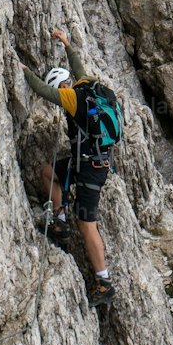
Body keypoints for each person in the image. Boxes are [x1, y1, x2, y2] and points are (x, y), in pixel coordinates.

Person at [20, 29, 116, 306]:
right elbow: (78, 64)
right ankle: (59, 222)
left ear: (63, 85)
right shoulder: (87, 84)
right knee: (49, 172)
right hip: (88, 161)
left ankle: (104, 282)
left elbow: (41, 89)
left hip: (90, 169)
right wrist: (65, 42)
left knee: (87, 225)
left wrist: (23, 69)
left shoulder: (71, 97)